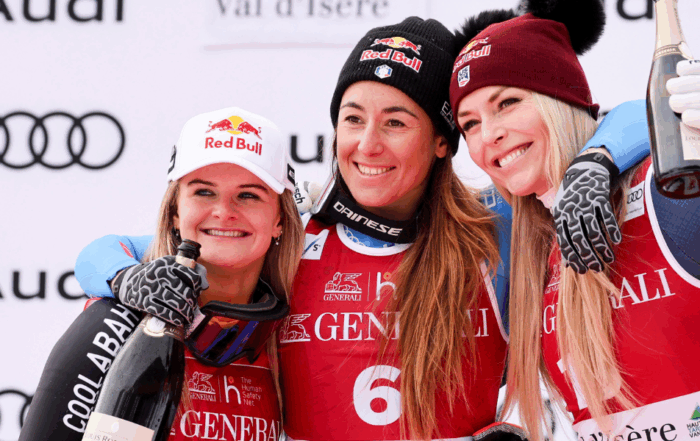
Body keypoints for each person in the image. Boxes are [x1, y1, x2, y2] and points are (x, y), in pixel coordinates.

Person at [71, 16, 653, 440]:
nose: (367, 145)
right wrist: (127, 279)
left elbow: (643, 116)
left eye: (395, 122)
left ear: (442, 141)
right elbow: (101, 252)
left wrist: (595, 163)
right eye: (353, 119)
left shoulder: (495, 230)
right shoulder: (293, 234)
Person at [448, 1, 700, 440]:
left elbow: (638, 115)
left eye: (508, 102)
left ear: (560, 100)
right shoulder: (522, 237)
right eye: (469, 124)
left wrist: (601, 157)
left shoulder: (667, 190)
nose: (489, 134)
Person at [19, 107, 304, 441]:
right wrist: (125, 279)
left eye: (248, 195)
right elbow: (100, 253)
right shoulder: (118, 323)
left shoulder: (291, 326)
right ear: (174, 212)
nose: (224, 212)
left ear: (280, 219)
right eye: (204, 192)